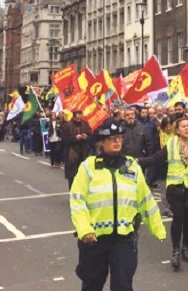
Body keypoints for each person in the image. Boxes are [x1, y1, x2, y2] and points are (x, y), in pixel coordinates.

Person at [70, 118, 166, 290]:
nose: (116, 141)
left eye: (119, 138)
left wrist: (158, 228)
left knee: (123, 285)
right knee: (92, 285)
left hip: (123, 238)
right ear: (101, 142)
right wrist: (84, 229)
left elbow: (145, 199)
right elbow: (77, 201)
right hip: (94, 239)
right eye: (111, 138)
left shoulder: (132, 166)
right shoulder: (88, 167)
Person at [142, 117, 188, 271]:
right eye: (184, 126)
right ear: (177, 129)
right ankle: (175, 251)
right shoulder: (172, 143)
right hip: (175, 188)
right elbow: (155, 159)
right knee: (179, 216)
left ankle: (185, 248)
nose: (187, 128)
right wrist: (136, 162)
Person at [61, 110, 92, 189]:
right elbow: (63, 140)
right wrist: (75, 138)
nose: (79, 119)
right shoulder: (67, 125)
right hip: (71, 154)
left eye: (81, 117)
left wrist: (86, 137)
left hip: (83, 153)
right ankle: (73, 194)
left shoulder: (85, 124)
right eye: (78, 117)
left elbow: (91, 137)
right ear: (74, 116)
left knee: (84, 176)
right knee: (72, 177)